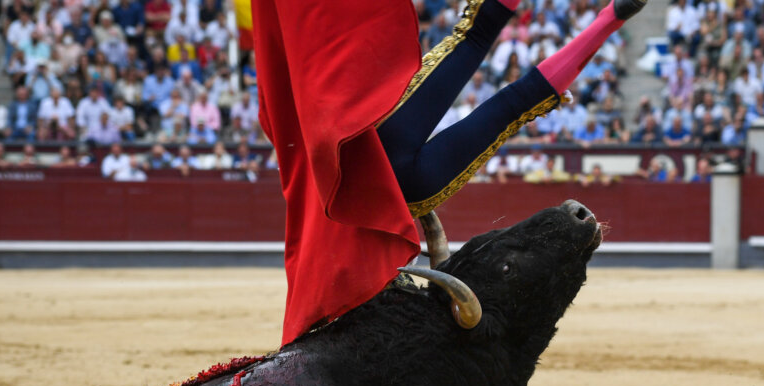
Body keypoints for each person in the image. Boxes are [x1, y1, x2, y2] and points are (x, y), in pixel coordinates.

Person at [254, 0, 648, 345]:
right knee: (480, 44)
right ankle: (612, 16)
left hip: (407, 185)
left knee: (511, 94)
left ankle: (613, 16)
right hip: (369, 145)